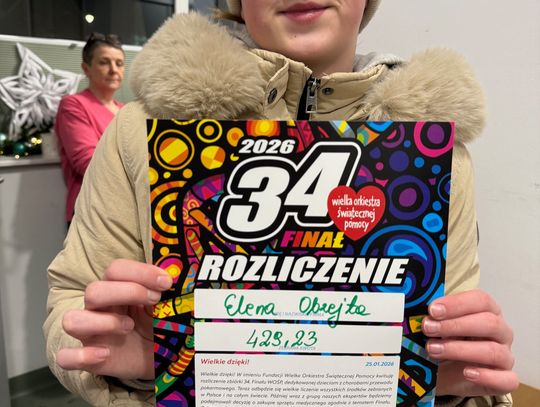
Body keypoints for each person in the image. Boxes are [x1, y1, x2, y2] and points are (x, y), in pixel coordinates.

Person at [44, 1, 519, 406]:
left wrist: (450, 383)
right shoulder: (142, 131)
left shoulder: (434, 154)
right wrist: (133, 365)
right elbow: (72, 300)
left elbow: (448, 342)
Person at [54, 32, 125, 225]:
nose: (114, 70)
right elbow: (87, 161)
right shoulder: (73, 105)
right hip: (93, 215)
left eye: (119, 63)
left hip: (125, 214)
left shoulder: (126, 111)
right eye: (104, 62)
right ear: (86, 68)